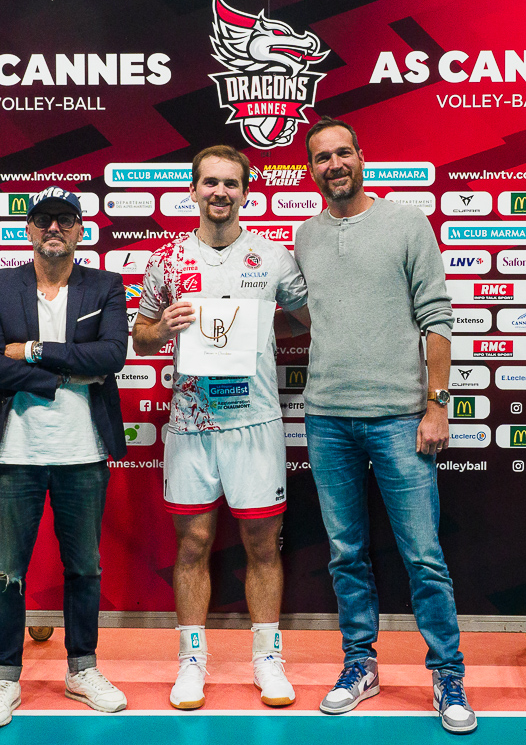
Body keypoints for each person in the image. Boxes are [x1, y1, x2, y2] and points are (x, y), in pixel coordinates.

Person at [293, 118, 474, 734]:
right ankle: (360, 665)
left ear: (362, 157)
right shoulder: (305, 236)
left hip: (401, 417)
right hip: (327, 418)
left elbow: (437, 317)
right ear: (311, 170)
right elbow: (305, 314)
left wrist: (437, 404)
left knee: (423, 556)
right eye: (322, 157)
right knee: (346, 553)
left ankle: (447, 675)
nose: (334, 164)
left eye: (343, 153)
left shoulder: (406, 223)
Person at [132, 145, 311, 711]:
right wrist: (163, 326)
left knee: (263, 544)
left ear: (246, 193)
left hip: (255, 422)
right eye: (210, 182)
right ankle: (191, 663)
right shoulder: (166, 259)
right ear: (193, 190)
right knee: (193, 544)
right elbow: (141, 337)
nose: (220, 192)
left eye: (231, 184)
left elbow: (313, 318)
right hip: (190, 424)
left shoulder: (273, 257)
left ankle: (268, 659)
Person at [0, 186, 130, 728]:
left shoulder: (105, 285)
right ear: (28, 229)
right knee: (7, 569)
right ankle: (3, 677)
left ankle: (83, 669)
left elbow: (112, 355)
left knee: (85, 567)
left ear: (80, 230)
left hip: (84, 451)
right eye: (43, 219)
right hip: (14, 452)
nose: (54, 227)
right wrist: (64, 376)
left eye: (65, 219)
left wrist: (33, 352)